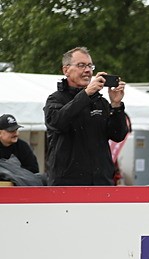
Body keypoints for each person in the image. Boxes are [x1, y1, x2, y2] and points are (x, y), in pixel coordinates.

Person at [44, 47, 130, 186]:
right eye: (81, 65)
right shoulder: (56, 99)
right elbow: (58, 123)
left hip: (101, 182)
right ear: (66, 70)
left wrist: (116, 105)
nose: (88, 70)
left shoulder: (100, 102)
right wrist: (85, 95)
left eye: (90, 66)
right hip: (68, 183)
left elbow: (118, 135)